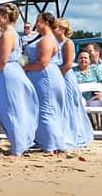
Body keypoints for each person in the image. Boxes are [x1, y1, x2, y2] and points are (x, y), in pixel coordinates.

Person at [0, 4, 38, 156]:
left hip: (7, 72)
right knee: (7, 108)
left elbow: (3, 59)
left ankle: (18, 144)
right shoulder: (9, 33)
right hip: (6, 72)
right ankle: (17, 142)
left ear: (5, 17)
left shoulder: (8, 34)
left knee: (11, 108)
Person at [22, 12, 69, 153]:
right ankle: (50, 141)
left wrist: (24, 67)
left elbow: (42, 62)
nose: (36, 24)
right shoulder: (43, 38)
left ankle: (50, 144)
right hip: (41, 76)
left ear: (46, 23)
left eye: (38, 21)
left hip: (45, 76)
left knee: (46, 108)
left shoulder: (47, 40)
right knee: (45, 108)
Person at [53, 18, 94, 150]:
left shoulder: (68, 43)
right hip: (57, 74)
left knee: (70, 104)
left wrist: (57, 75)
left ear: (62, 29)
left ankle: (74, 133)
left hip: (65, 76)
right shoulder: (53, 42)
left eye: (56, 27)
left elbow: (68, 63)